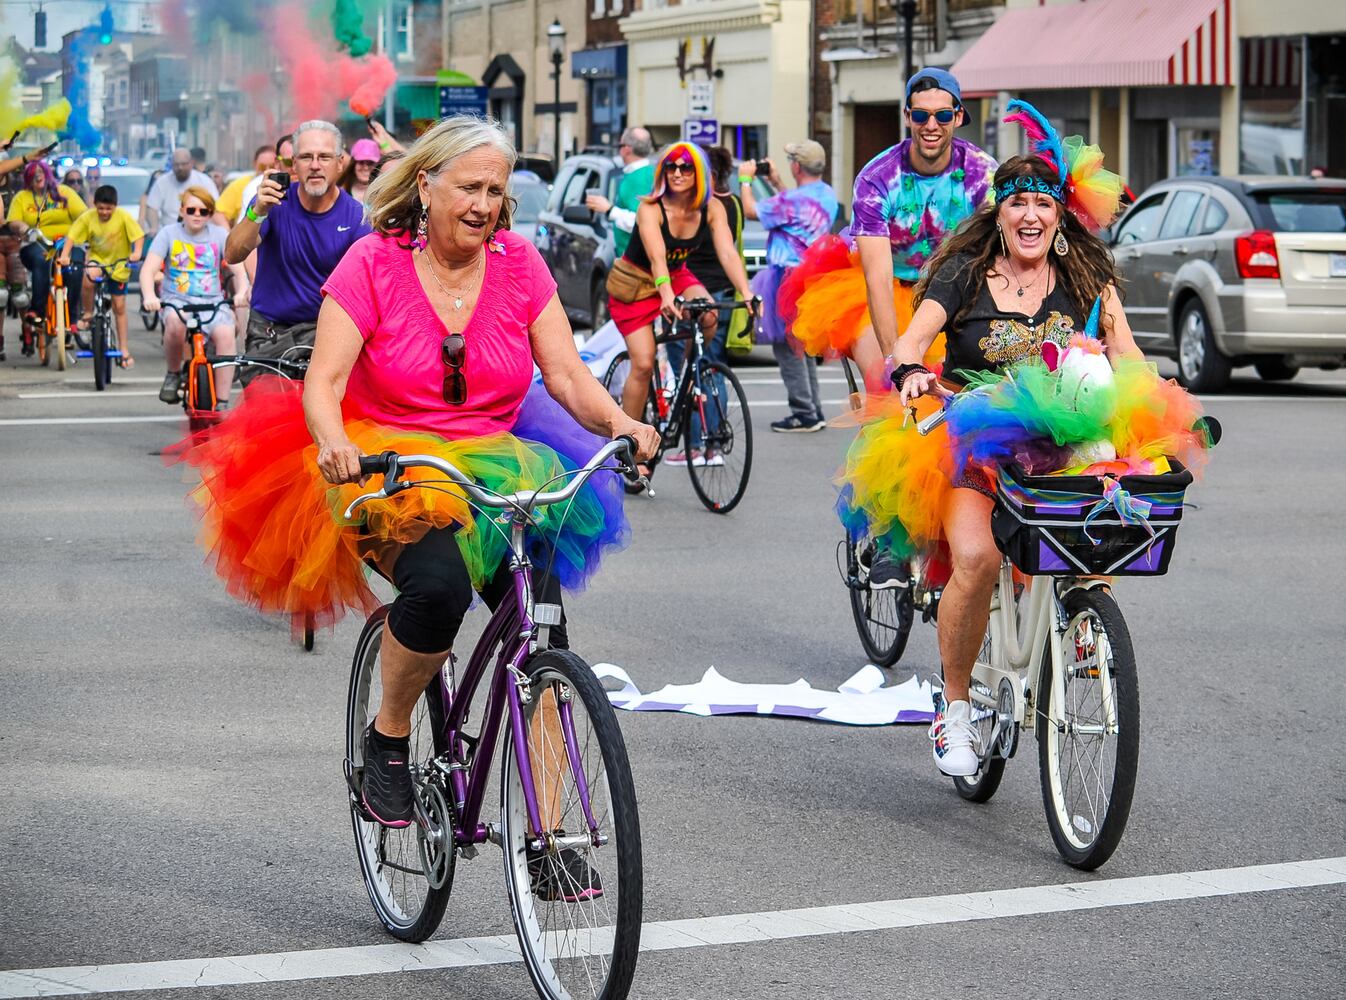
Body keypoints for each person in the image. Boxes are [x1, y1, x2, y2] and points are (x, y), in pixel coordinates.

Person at [174, 115, 659, 835]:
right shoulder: (372, 262)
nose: (482, 205)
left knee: (545, 629)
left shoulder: (520, 263)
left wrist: (618, 422)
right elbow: (324, 381)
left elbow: (564, 374)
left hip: (496, 461)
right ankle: (391, 737)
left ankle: (554, 834)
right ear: (425, 184)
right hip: (392, 465)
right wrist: (334, 441)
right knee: (437, 588)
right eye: (469, 187)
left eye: (495, 190)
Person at [844, 102, 1207, 777]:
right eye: (1018, 204)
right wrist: (914, 373)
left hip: (1068, 444)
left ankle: (1082, 635)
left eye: (1044, 202)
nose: (1031, 214)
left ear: (1061, 215)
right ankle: (952, 710)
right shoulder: (962, 275)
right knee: (977, 560)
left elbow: (1126, 354)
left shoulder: (1086, 280)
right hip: (974, 441)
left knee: (1104, 534)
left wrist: (1151, 400)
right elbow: (913, 344)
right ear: (1000, 213)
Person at [785, 68, 997, 392]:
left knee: (957, 395)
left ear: (957, 117)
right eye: (921, 115)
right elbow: (878, 279)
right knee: (885, 388)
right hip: (889, 285)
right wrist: (893, 362)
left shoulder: (983, 174)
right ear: (908, 116)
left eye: (941, 115)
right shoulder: (878, 178)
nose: (931, 125)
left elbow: (998, 252)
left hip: (956, 292)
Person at [608, 142, 756, 449]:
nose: (677, 173)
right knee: (644, 363)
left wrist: (747, 292)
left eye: (685, 167)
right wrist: (665, 293)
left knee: (710, 313)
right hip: (636, 284)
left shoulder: (712, 207)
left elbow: (728, 253)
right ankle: (629, 447)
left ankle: (689, 374)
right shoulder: (651, 207)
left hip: (678, 276)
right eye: (671, 167)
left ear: (699, 173)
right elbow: (657, 256)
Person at [225, 120, 370, 383]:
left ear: (340, 163)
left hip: (328, 335)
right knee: (265, 420)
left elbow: (369, 287)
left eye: (324, 157)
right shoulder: (271, 204)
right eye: (306, 157)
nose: (315, 165)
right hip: (270, 333)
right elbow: (233, 253)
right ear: (294, 165)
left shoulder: (357, 217)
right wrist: (257, 211)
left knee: (322, 419)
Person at [739, 140, 839, 433]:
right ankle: (813, 408)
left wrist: (746, 179)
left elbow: (750, 211)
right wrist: (776, 181)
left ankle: (804, 411)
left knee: (786, 346)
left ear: (796, 165)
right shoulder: (826, 195)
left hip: (786, 278)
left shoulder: (792, 203)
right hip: (811, 277)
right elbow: (793, 206)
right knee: (803, 345)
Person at [662, 144, 746, 467]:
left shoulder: (697, 208)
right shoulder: (734, 203)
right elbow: (731, 249)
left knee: (689, 370)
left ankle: (695, 445)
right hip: (723, 290)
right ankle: (715, 444)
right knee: (713, 368)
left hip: (693, 292)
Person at [140, 186, 249, 406]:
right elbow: (148, 270)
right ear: (182, 211)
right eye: (191, 210)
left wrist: (241, 291)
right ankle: (173, 373)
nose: (197, 215)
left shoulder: (219, 235)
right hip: (178, 301)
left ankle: (222, 400)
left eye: (204, 211)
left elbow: (238, 270)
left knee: (227, 334)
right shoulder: (168, 234)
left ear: (210, 214)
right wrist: (149, 296)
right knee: (174, 324)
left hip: (212, 302)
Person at [58, 184, 146, 369]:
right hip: (98, 259)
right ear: (94, 204)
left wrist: (137, 252)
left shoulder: (123, 217)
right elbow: (72, 236)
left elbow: (138, 236)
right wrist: (65, 255)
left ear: (115, 206)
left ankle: (124, 349)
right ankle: (88, 313)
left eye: (108, 209)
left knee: (119, 307)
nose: (104, 212)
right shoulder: (88, 218)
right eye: (100, 208)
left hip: (119, 263)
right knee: (88, 275)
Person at [7, 160, 88, 328]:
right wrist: (25, 229)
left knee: (75, 269)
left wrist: (82, 230)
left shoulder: (64, 192)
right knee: (41, 260)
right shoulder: (22, 197)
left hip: (67, 243)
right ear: (27, 178)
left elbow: (84, 215)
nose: (38, 176)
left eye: (41, 171)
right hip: (38, 243)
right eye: (33, 173)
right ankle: (37, 311)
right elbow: (13, 221)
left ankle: (72, 319)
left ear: (48, 174)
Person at [584, 126, 654, 258]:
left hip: (636, 261)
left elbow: (642, 222)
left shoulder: (639, 179)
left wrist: (609, 210)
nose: (619, 150)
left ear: (627, 149)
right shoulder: (645, 173)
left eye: (620, 145)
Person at [144, 148, 219, 231]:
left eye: (184, 164)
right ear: (172, 164)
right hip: (170, 233)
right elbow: (152, 208)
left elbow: (215, 207)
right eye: (177, 164)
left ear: (191, 163)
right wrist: (154, 227)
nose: (180, 168)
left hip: (200, 231)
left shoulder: (204, 181)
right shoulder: (162, 182)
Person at [232, 135, 292, 225]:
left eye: (304, 159)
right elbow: (238, 237)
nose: (295, 167)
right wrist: (257, 211)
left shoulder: (316, 184)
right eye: (289, 162)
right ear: (277, 163)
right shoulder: (254, 189)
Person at [214, 145, 277, 228]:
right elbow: (219, 213)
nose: (267, 170)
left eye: (272, 166)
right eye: (262, 167)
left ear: (278, 164)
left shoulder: (287, 185)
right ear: (254, 164)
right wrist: (229, 236)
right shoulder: (239, 185)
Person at [336, 138, 381, 203]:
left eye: (370, 163)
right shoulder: (338, 193)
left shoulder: (383, 194)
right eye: (361, 162)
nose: (365, 168)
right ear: (353, 164)